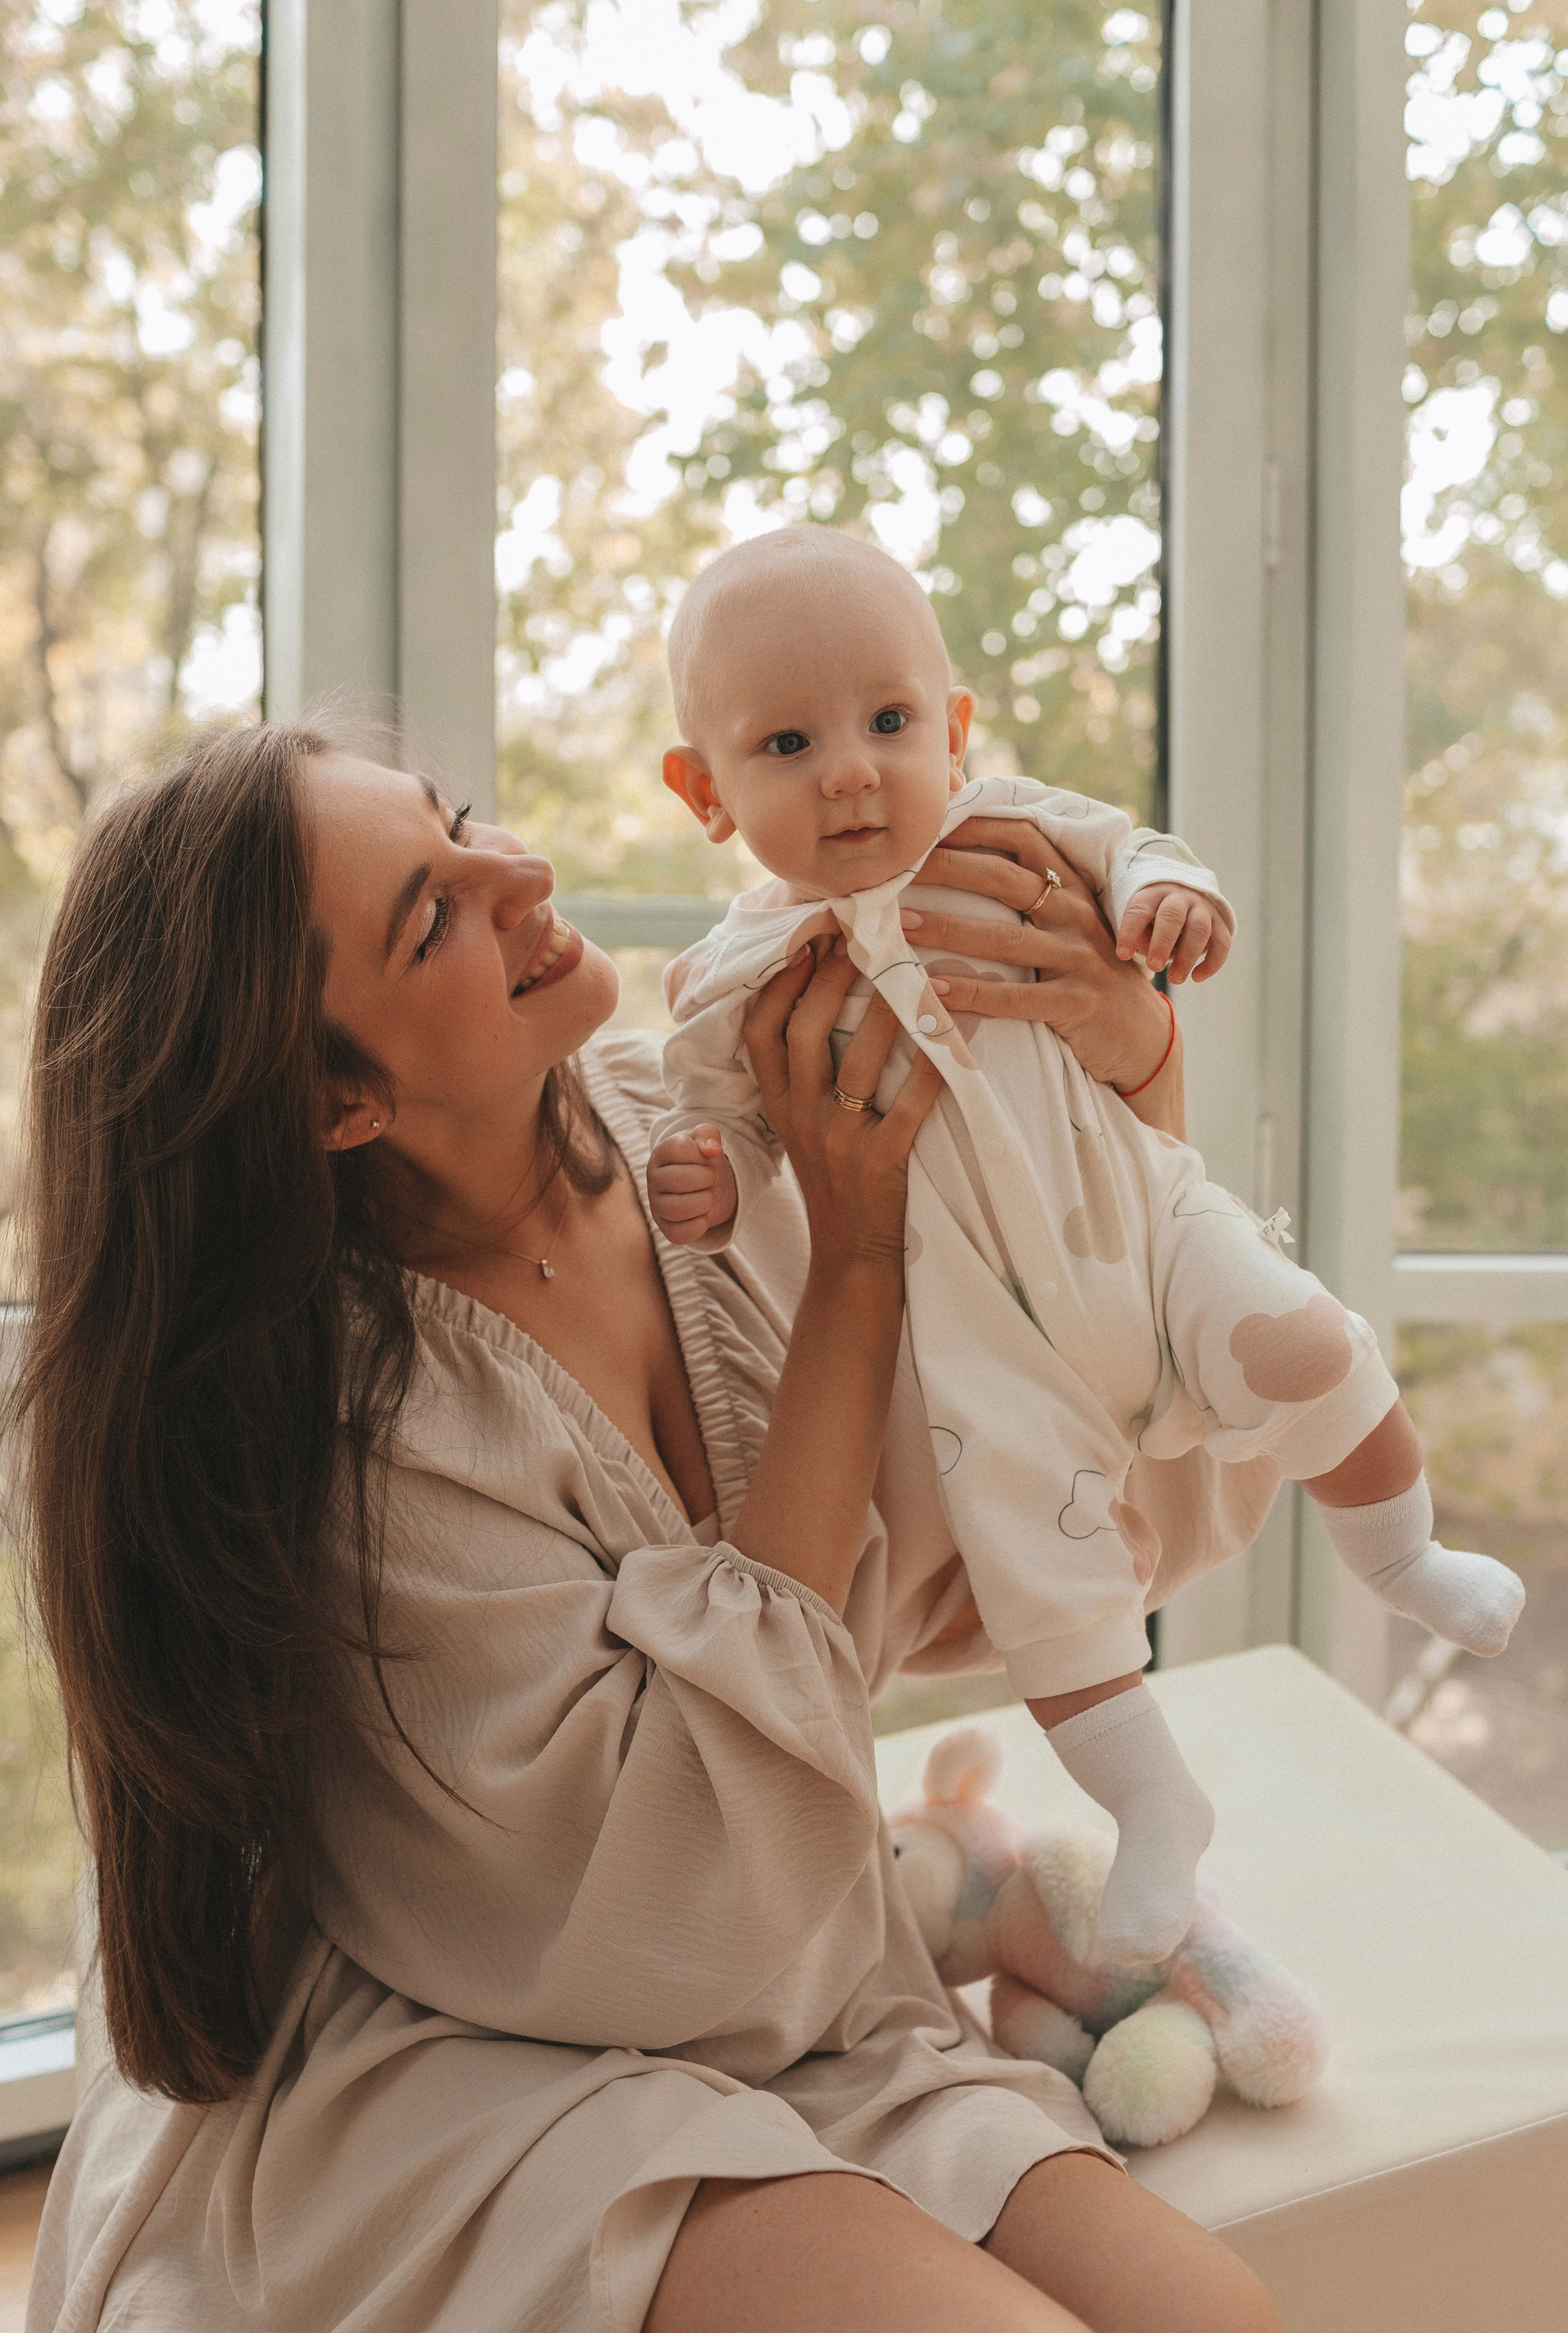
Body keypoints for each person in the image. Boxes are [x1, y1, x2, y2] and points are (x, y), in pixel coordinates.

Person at [18, 719, 1281, 2333]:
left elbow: (1054, 1491)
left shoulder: (699, 1131)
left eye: (460, 823)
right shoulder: (357, 1428)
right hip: (477, 2057)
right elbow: (680, 1907)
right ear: (338, 1102)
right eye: (433, 914)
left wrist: (1129, 1079)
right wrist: (857, 1266)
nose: (521, 872)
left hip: (805, 1987)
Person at [649, 527, 1524, 1964]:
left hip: (1143, 1226)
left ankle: (1402, 1552)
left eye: (888, 722)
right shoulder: (734, 978)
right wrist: (708, 1179)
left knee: (1306, 1342)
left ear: (955, 726)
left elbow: (1140, 854)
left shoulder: (1010, 831)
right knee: (1036, 1577)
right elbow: (729, 1132)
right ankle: (1154, 1804)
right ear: (703, 790)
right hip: (971, 1340)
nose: (851, 772)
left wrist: (1167, 903)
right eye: (787, 744)